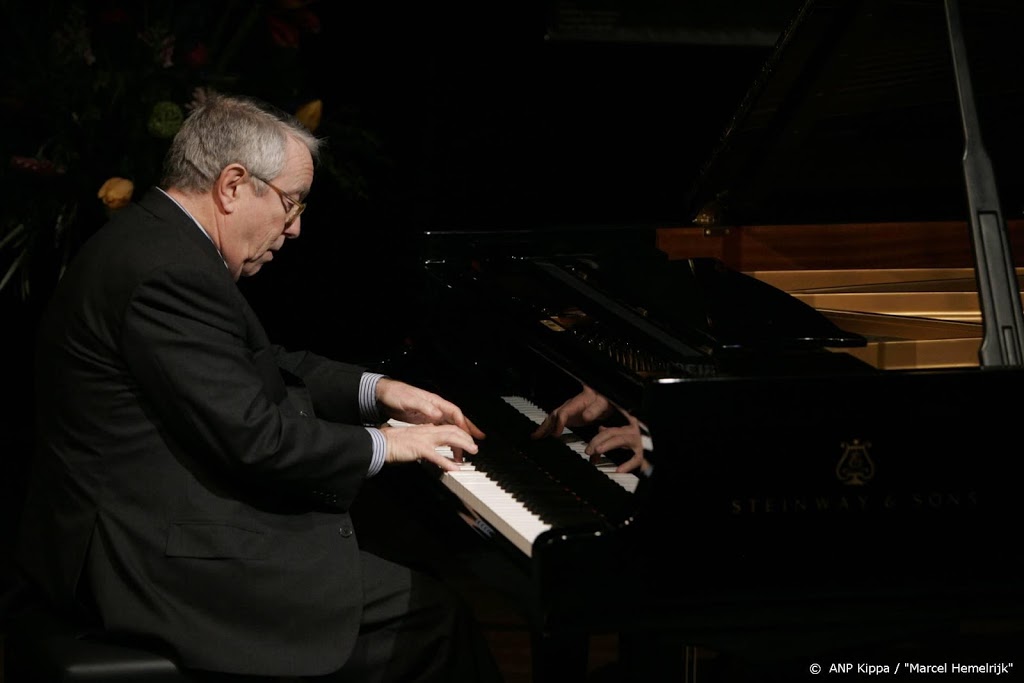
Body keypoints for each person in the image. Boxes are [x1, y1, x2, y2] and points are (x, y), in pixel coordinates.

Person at [13, 92, 503, 682]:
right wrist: (388, 443)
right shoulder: (168, 271)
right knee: (430, 619)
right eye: (292, 204)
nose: (295, 230)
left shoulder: (157, 242)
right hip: (147, 558)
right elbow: (255, 440)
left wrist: (380, 389)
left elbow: (255, 361)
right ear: (233, 185)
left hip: (139, 525)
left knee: (402, 577)